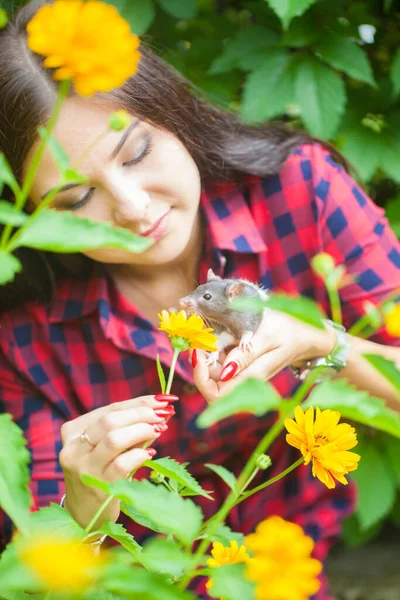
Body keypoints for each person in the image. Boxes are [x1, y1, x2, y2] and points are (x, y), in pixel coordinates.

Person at [1, 2, 400, 598]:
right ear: (30, 214)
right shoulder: (23, 331)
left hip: (290, 568)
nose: (134, 209)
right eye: (75, 198)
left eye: (136, 152)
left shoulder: (303, 194)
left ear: (173, 113)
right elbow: (38, 570)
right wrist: (81, 502)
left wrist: (324, 341)